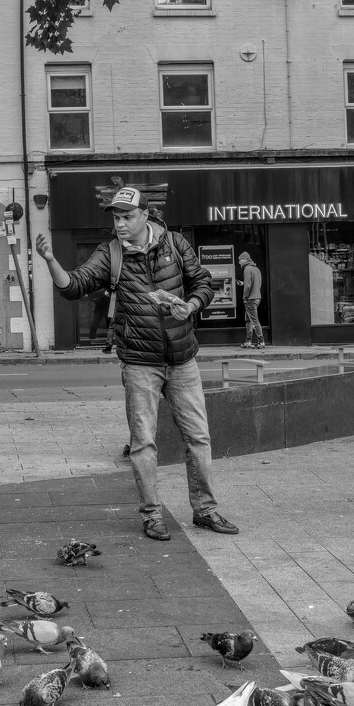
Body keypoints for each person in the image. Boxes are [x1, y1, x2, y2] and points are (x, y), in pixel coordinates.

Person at [35, 185, 239, 541]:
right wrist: (51, 260)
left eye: (127, 216)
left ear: (146, 215)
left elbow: (203, 283)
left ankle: (205, 510)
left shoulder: (175, 244)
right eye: (116, 217)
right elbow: (73, 287)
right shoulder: (110, 253)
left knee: (199, 438)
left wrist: (190, 306)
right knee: (143, 443)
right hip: (140, 363)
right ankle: (152, 515)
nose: (121, 224)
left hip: (183, 358)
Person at [237, 251, 264, 348]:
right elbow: (255, 284)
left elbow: (248, 286)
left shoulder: (247, 269)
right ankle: (248, 342)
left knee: (254, 320)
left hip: (250, 299)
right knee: (249, 321)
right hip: (257, 297)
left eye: (240, 260)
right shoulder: (256, 269)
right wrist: (242, 283)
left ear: (244, 259)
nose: (239, 262)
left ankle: (261, 342)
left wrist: (245, 297)